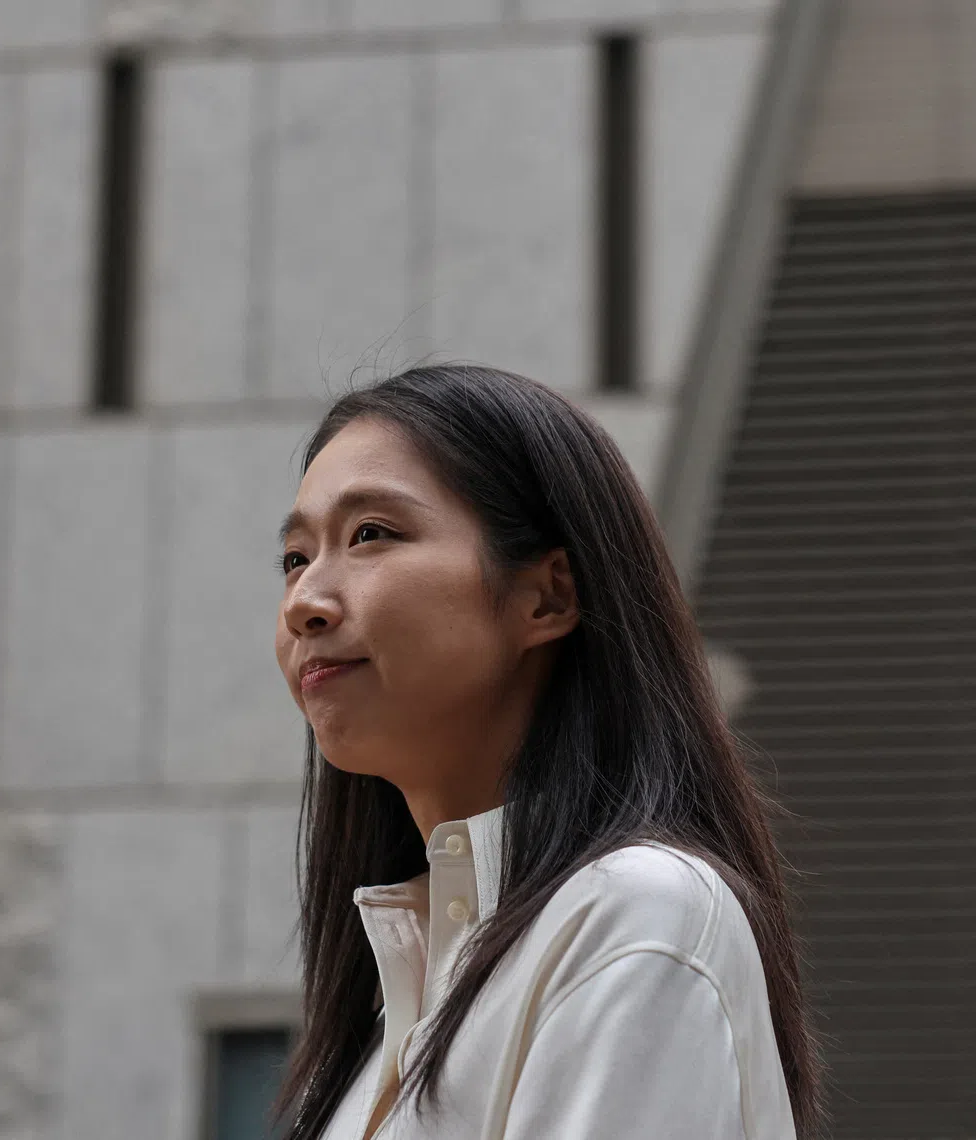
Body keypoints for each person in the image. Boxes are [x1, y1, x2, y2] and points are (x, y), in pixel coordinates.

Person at [272, 365, 823, 1140]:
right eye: (295, 558)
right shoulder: (400, 1000)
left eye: (371, 535)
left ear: (548, 597)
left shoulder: (637, 914)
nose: (303, 603)